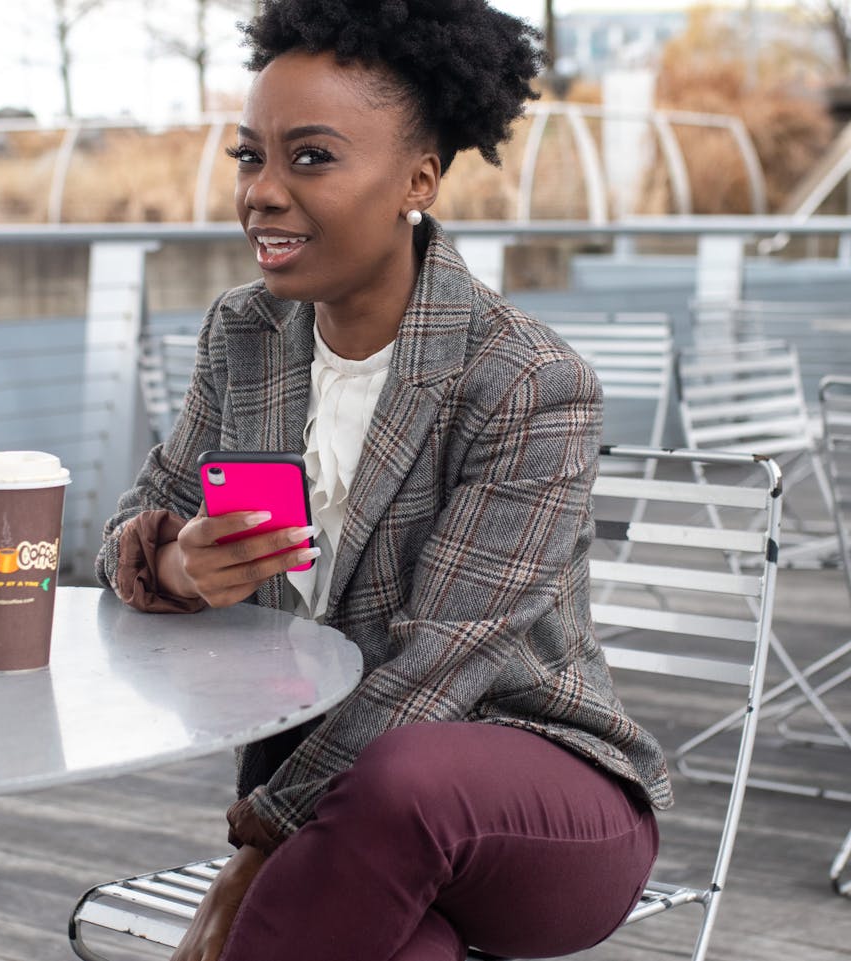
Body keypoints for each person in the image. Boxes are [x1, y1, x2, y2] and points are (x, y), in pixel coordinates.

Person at [95, 1, 670, 958]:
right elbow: (130, 525)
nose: (262, 193)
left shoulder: (526, 380)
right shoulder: (245, 336)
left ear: (419, 177)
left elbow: (440, 665)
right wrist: (182, 567)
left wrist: (259, 849)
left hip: (543, 808)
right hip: (339, 816)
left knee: (405, 776)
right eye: (251, 156)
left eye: (310, 157)